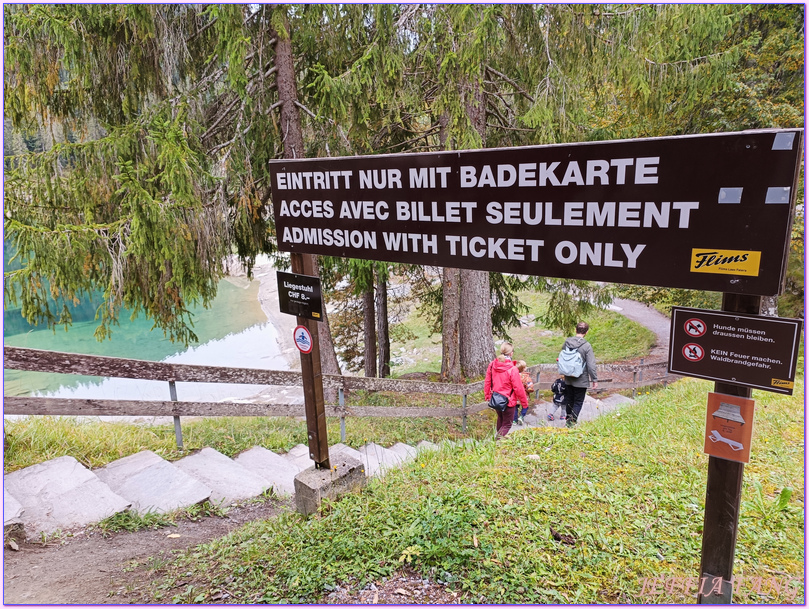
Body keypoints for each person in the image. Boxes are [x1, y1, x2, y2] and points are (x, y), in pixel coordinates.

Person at [485, 343, 529, 439]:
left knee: (501, 419)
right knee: (507, 424)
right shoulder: (512, 369)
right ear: (511, 353)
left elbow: (488, 381)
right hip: (508, 401)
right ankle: (497, 441)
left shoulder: (492, 365)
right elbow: (519, 388)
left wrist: (487, 395)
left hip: (496, 398)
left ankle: (499, 441)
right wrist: (524, 403)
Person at [562, 322, 598, 427]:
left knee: (569, 399)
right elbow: (591, 365)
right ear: (586, 332)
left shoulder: (567, 342)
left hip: (568, 377)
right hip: (581, 379)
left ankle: (568, 420)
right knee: (578, 402)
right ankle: (571, 423)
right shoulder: (586, 346)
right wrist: (594, 379)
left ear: (575, 329)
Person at [513, 360, 534, 426]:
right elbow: (529, 386)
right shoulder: (526, 377)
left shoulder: (514, 376)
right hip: (524, 395)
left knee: (515, 407)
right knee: (525, 406)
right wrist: (530, 389)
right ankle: (521, 416)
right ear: (524, 368)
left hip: (515, 395)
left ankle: (514, 420)